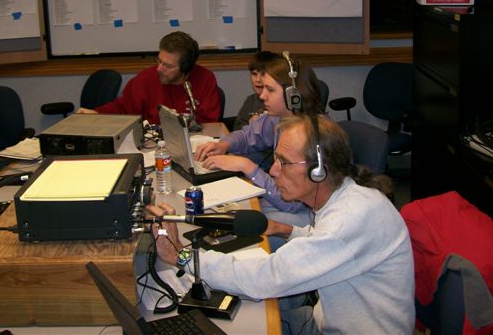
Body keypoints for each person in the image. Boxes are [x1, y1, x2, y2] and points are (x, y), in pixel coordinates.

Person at [148, 114, 415, 334]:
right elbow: (328, 241)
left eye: (283, 162)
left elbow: (266, 278)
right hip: (328, 317)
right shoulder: (348, 198)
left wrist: (181, 255)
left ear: (318, 170)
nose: (274, 170)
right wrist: (287, 230)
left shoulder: (348, 220)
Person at [194, 52, 322, 216]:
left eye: (270, 90)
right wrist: (223, 145)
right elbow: (248, 136)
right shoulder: (278, 118)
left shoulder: (312, 136)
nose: (262, 96)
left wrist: (246, 167)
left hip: (303, 214)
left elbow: (292, 204)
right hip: (279, 199)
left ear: (293, 95)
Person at [77, 31, 221, 125]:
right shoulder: (146, 78)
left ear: (186, 68)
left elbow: (209, 123)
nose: (159, 69)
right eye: (159, 61)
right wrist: (97, 114)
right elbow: (123, 108)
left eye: (168, 66)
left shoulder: (205, 79)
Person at [231, 51, 275, 131]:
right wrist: (250, 125)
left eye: (263, 74)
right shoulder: (250, 101)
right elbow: (237, 129)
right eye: (254, 74)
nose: (258, 80)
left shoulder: (280, 103)